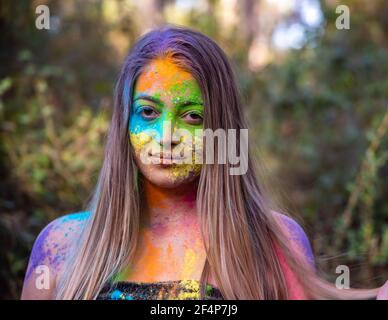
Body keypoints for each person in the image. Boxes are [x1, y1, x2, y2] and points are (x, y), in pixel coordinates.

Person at [21, 25, 388, 300]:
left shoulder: (273, 244)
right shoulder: (63, 245)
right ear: (124, 123)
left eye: (192, 117)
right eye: (148, 112)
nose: (167, 135)